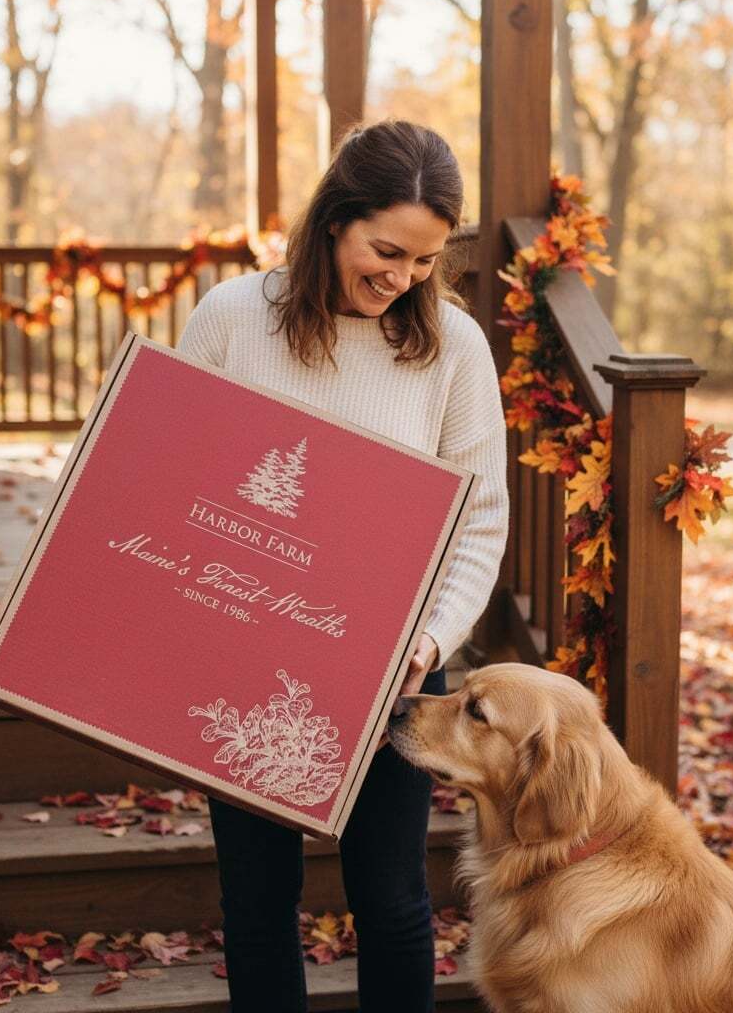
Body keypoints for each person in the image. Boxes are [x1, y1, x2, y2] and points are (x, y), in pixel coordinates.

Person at [175, 119, 509, 1013]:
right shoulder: (230, 319)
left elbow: (479, 521)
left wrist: (431, 640)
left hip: (394, 675)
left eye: (426, 261)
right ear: (334, 220)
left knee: (394, 903)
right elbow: (173, 483)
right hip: (243, 660)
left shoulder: (454, 350)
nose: (402, 279)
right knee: (254, 903)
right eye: (387, 249)